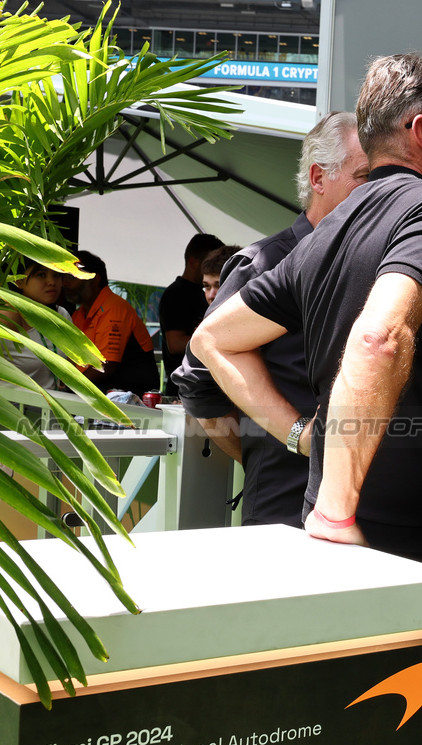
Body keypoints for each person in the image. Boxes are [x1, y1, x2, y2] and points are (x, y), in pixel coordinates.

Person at [192, 52, 422, 745]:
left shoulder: (324, 238)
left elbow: (213, 341)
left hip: (360, 543)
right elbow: (379, 339)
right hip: (413, 551)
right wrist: (334, 505)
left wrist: (301, 437)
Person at [173, 111, 370, 526]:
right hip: (286, 503)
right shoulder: (265, 262)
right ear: (318, 179)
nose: (378, 194)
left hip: (365, 505)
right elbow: (198, 386)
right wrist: (289, 439)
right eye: (365, 177)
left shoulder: (372, 264)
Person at [63, 251, 160, 395]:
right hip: (105, 393)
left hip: (130, 398)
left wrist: (70, 388)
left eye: (72, 277)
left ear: (95, 279)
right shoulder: (79, 314)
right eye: (63, 277)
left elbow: (106, 366)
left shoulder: (113, 308)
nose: (65, 283)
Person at [160, 232, 223, 396]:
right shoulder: (177, 293)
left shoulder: (199, 294)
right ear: (194, 262)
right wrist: (219, 340)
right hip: (183, 391)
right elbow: (174, 344)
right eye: (209, 263)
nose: (211, 293)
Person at [1, 260, 73, 389]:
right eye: (41, 275)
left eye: (56, 275)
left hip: (50, 405)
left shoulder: (61, 315)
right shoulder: (6, 317)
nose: (52, 282)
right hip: (12, 406)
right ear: (18, 281)